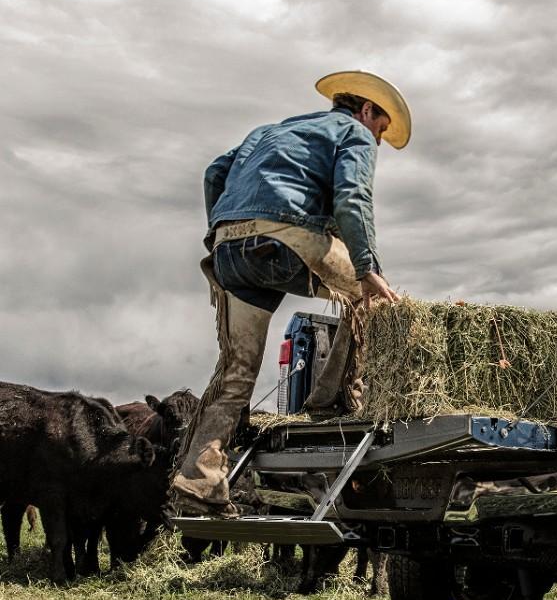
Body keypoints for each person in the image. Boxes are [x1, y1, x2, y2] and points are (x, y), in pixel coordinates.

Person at [170, 70, 411, 516]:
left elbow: (214, 173)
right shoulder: (353, 132)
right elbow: (352, 198)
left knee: (237, 369)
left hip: (228, 248)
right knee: (373, 298)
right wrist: (367, 268)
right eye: (381, 129)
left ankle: (200, 477)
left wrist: (221, 226)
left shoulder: (267, 132)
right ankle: (332, 400)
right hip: (287, 237)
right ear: (366, 110)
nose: (377, 140)